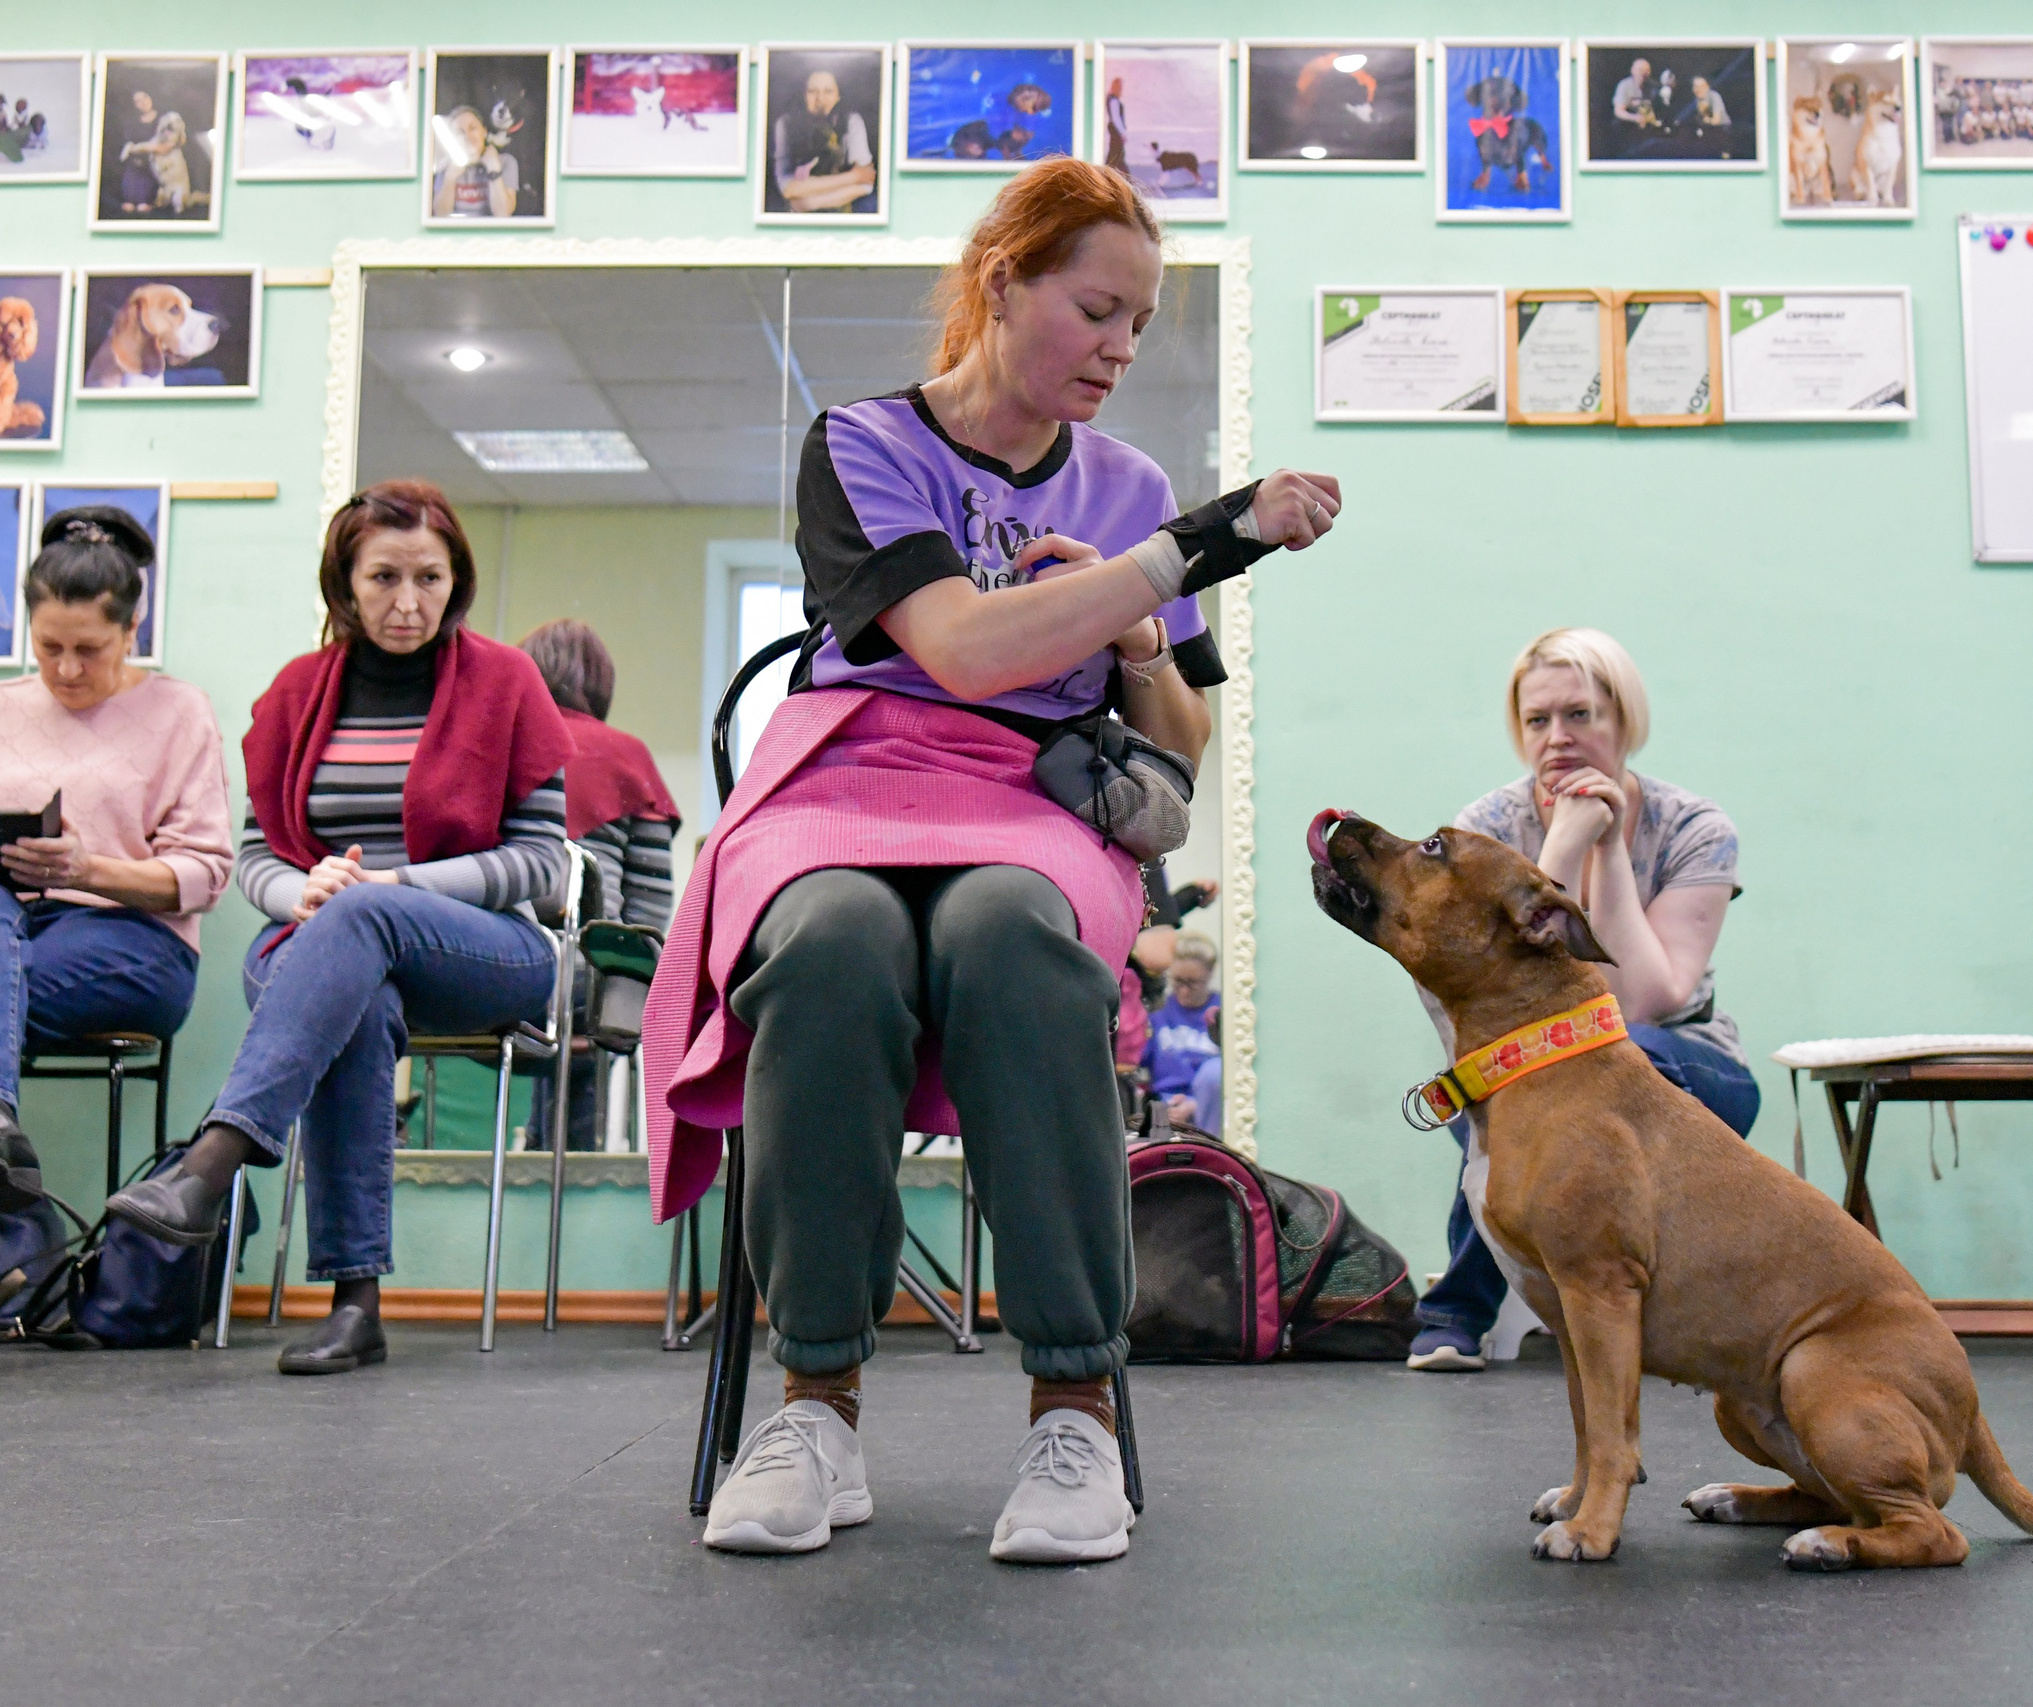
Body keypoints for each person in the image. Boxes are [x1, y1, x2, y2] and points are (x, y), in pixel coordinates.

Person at [645, 155, 1339, 1566]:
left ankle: (1074, 1401)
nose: (1119, 349)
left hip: (1030, 805)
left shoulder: (1127, 481)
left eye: (1140, 324)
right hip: (848, 780)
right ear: (1002, 279)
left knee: (1015, 935)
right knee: (830, 938)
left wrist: (1143, 634)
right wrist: (1191, 548)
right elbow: (957, 648)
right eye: (1095, 309)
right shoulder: (862, 444)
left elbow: (1183, 731)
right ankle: (816, 1403)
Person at [104, 481, 570, 1377]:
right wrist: (302, 895)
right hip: (326, 946)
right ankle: (356, 1306)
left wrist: (389, 885)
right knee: (357, 991)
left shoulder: (507, 683)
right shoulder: (296, 694)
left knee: (364, 920)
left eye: (430, 578)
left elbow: (544, 866)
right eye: (384, 577)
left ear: (456, 581)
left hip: (487, 948)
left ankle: (212, 1162)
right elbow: (254, 859)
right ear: (344, 584)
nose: (408, 602)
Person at [1406, 627, 1758, 1373]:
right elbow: (1501, 977)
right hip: (1534, 1064)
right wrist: (1562, 845)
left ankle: (1474, 1307)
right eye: (1538, 721)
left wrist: (1609, 846)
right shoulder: (1487, 828)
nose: (1557, 738)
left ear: (1623, 719)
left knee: (1628, 1058)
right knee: (1505, 1081)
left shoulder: (1698, 828)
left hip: (1688, 1069)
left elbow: (1647, 1001)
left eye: (1580, 715)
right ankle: (1458, 1310)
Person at [0, 509, 232, 1213]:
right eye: (48, 648)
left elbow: (204, 875)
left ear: (133, 632)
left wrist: (84, 868)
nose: (66, 669)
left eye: (90, 649)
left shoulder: (181, 712)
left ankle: (20, 1243)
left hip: (134, 941)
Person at [518, 618, 678, 1151]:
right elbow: (648, 909)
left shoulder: (504, 750)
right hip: (591, 980)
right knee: (604, 999)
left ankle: (539, 1150)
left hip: (503, 969)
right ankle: (574, 1161)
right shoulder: (629, 758)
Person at [769, 69, 875, 216]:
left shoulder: (851, 121)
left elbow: (866, 183)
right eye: (812, 91)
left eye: (828, 91)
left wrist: (807, 203)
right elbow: (787, 188)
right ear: (803, 94)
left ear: (838, 95)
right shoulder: (786, 124)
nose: (820, 99)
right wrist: (852, 177)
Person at [1143, 933, 1220, 1134]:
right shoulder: (1159, 1013)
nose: (1184, 991)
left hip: (1212, 1108)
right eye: (1177, 981)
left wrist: (1195, 1105)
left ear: (1210, 974)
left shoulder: (1222, 1013)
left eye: (1193, 983)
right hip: (1166, 1108)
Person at [431, 106, 519, 219]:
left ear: (484, 132)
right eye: (460, 132)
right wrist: (450, 177)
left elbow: (503, 213)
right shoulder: (445, 165)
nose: (467, 136)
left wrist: (494, 168)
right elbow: (441, 215)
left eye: (472, 128)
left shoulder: (506, 162)